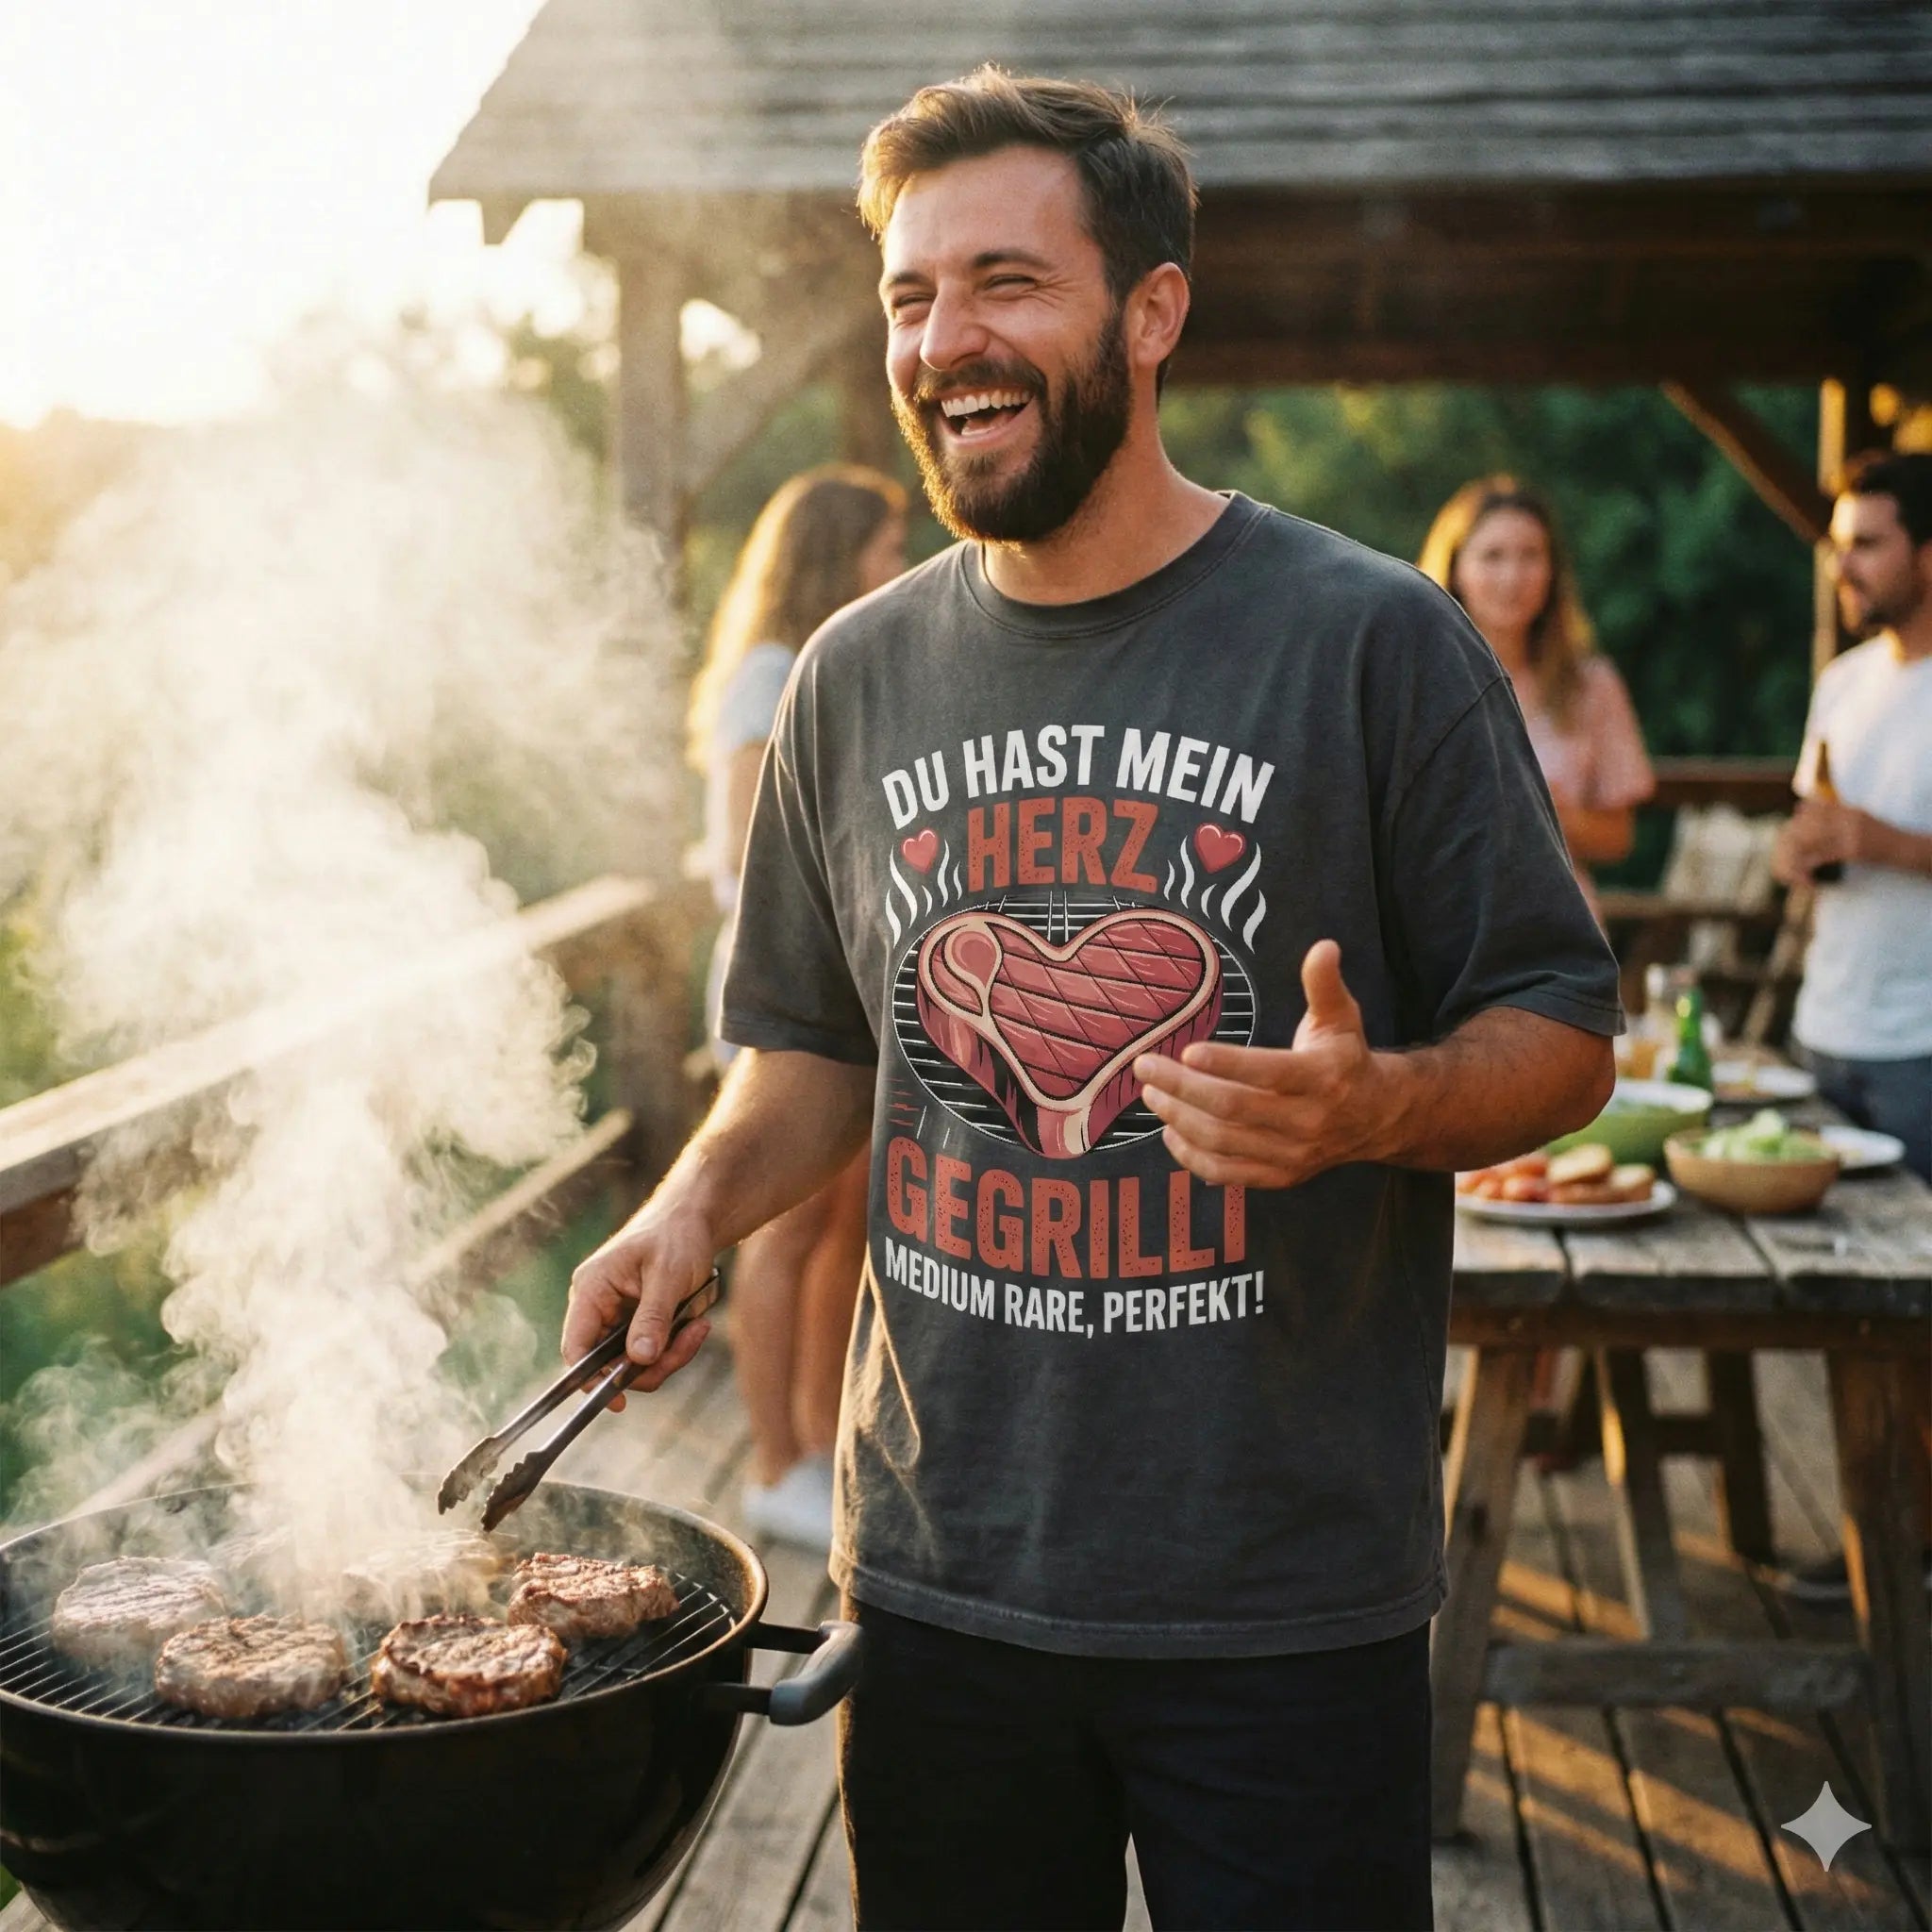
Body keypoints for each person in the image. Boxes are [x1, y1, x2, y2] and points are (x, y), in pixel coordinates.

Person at [571, 71, 1618, 1931]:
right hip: (945, 1575)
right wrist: (693, 1203)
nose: (944, 341)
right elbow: (813, 1043)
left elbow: (1560, 1026)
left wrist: (1372, 1108)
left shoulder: (1371, 639)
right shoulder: (849, 677)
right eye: (906, 297)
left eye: (1003, 282)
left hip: (1280, 1600)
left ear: (1150, 311)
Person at [688, 465, 908, 1547]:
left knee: (840, 1223)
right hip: (778, 985)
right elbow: (740, 852)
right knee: (780, 1230)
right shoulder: (769, 671)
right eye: (884, 544)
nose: (897, 565)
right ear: (835, 552)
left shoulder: (841, 663)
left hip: (847, 981)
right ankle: (772, 1461)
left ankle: (819, 1446)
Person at [1772, 449, 1932, 1187]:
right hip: (1823, 1032)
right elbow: (1817, 824)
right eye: (1840, 546)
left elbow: (1867, 836)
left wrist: (1885, 842)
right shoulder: (1842, 682)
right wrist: (1793, 853)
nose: (1842, 567)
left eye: (1867, 545)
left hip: (1921, 1051)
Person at [1420, 476, 1655, 914]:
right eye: (1493, 556)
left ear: (1552, 571)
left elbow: (1619, 837)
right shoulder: (1417, 682)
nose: (1513, 576)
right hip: (1442, 919)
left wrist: (1544, 811)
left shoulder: (1591, 682)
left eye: (1531, 556)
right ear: (1455, 568)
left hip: (1555, 921)